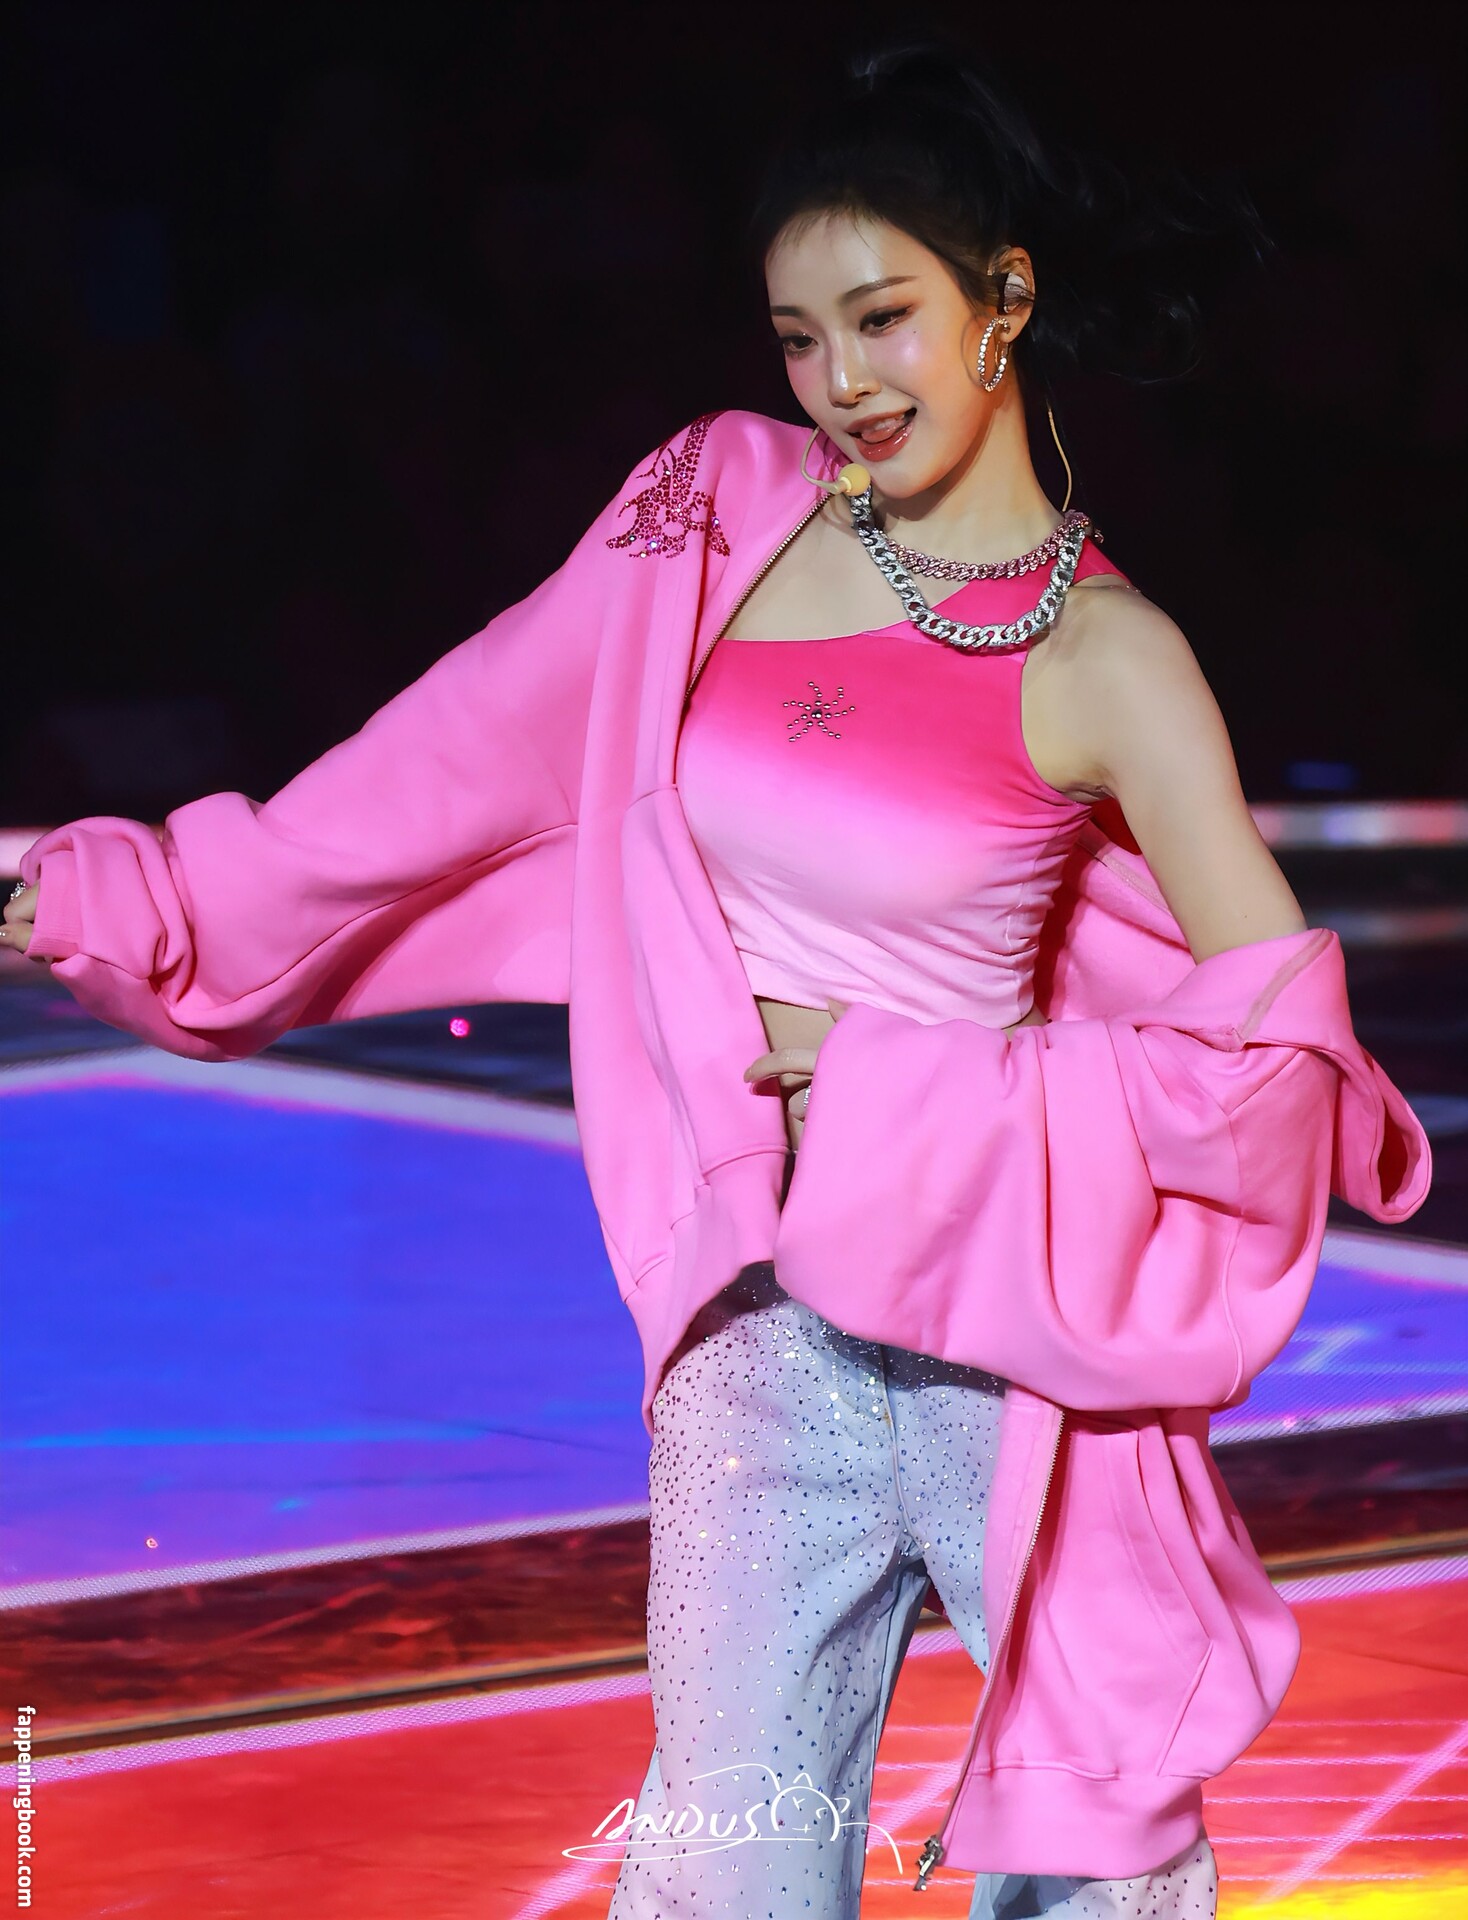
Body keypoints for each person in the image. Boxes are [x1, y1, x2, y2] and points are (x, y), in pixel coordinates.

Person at [5, 41, 1431, 1920]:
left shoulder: (1114, 660)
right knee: (726, 1872)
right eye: (798, 336)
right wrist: (150, 894)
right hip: (757, 1330)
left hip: (1009, 1347)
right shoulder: (716, 510)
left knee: (1096, 1878)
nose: (843, 381)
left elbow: (1281, 1080)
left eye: (885, 318)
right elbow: (446, 759)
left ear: (1005, 298)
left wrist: (907, 1081)